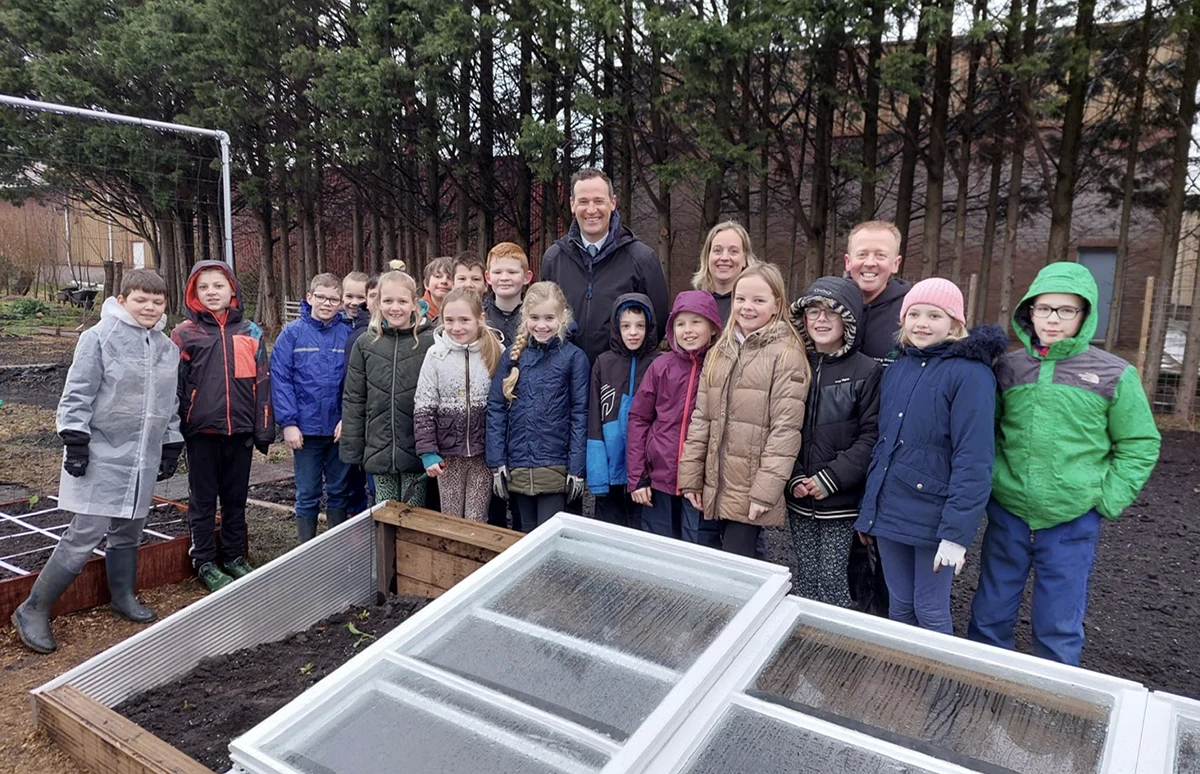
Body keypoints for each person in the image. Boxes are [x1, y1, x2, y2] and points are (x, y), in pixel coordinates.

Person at [969, 263, 1161, 666]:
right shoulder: (1009, 368)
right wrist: (993, 485)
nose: (1053, 319)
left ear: (1084, 315)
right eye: (1044, 309)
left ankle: (1055, 711)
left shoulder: (1114, 375)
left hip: (1072, 520)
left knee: (1058, 625)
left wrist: (1106, 498)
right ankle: (981, 695)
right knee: (990, 614)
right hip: (1009, 514)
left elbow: (1139, 443)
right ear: (1029, 312)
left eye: (1066, 310)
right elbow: (986, 432)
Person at [10, 270, 182, 653]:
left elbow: (169, 403)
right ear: (122, 300)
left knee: (130, 530)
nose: (149, 307)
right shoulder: (99, 338)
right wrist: (75, 441)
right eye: (141, 300)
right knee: (85, 533)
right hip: (102, 453)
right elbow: (77, 393)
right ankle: (33, 608)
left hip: (142, 457)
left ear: (165, 304)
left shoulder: (167, 348)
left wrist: (171, 443)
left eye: (157, 301)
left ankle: (122, 596)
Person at [853, 278, 1007, 634]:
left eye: (935, 315)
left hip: (934, 518)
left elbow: (974, 458)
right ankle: (904, 683)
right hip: (891, 511)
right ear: (903, 320)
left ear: (955, 323)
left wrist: (956, 534)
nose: (922, 323)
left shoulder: (971, 375)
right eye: (915, 314)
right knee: (900, 605)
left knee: (930, 609)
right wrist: (869, 513)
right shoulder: (899, 369)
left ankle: (939, 686)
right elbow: (883, 445)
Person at [678, 264, 810, 557]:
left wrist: (766, 491)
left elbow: (785, 431)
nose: (747, 307)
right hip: (714, 482)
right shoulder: (720, 351)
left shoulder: (786, 354)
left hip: (750, 488)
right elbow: (702, 418)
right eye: (740, 299)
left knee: (742, 565)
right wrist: (690, 476)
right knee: (710, 562)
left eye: (758, 301)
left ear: (777, 305)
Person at [172, 261, 273, 592]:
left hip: (240, 432)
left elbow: (262, 384)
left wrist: (263, 427)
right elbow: (174, 386)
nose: (211, 292)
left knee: (235, 498)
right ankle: (203, 559)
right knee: (202, 500)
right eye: (204, 287)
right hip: (202, 433)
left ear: (232, 289)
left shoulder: (250, 332)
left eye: (218, 285)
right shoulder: (185, 334)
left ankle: (232, 556)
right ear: (194, 293)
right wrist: (176, 428)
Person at [785, 277, 881, 608]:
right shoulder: (794, 364)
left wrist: (831, 479)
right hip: (799, 496)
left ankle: (835, 646)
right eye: (814, 311)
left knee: (833, 578)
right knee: (806, 574)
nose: (821, 320)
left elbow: (871, 436)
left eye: (831, 312)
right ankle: (805, 639)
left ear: (848, 320)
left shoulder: (867, 371)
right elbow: (781, 428)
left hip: (839, 499)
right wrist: (794, 475)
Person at [487, 281, 590, 532]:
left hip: (555, 466)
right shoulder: (513, 356)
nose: (541, 325)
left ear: (562, 317)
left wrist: (576, 468)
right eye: (534, 317)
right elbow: (496, 409)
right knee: (525, 537)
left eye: (549, 317)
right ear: (525, 317)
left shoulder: (574, 358)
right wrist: (497, 460)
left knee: (549, 538)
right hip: (518, 466)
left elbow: (580, 413)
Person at [539, 168, 669, 362]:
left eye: (599, 201)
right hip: (565, 380)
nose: (591, 210)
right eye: (583, 202)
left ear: (613, 203)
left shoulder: (642, 259)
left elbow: (656, 324)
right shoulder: (553, 259)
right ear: (572, 205)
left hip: (620, 380)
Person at [626, 290, 724, 546]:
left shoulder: (721, 367)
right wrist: (637, 476)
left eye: (696, 322)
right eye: (680, 323)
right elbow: (639, 419)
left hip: (701, 483)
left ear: (713, 327)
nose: (688, 330)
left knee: (699, 551)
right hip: (659, 480)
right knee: (659, 551)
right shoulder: (661, 367)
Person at [340, 271, 435, 506]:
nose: (395, 308)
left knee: (413, 514)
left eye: (402, 301)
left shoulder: (430, 342)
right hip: (379, 447)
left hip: (416, 449)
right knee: (385, 511)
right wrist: (353, 448)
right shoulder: (365, 343)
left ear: (414, 303)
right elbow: (354, 398)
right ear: (377, 303)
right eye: (388, 301)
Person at [272, 273, 354, 543]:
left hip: (338, 430)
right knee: (307, 493)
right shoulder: (292, 335)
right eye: (321, 297)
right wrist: (289, 423)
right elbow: (281, 379)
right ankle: (306, 550)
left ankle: (335, 549)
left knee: (339, 491)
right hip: (305, 431)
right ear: (309, 298)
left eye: (333, 299)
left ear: (340, 302)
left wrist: (348, 418)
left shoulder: (348, 335)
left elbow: (355, 382)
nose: (327, 304)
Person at [414, 288, 503, 521]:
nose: (456, 327)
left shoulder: (496, 352)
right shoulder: (436, 355)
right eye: (449, 320)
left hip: (483, 455)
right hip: (448, 455)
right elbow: (424, 405)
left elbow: (506, 405)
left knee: (476, 518)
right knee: (451, 519)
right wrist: (428, 452)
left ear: (480, 318)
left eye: (464, 320)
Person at [586, 294, 660, 528]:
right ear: (616, 328)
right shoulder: (603, 363)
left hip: (646, 473)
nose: (633, 332)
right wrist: (597, 475)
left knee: (643, 535)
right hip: (611, 468)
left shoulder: (658, 363)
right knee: (608, 537)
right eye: (626, 326)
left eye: (640, 326)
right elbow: (594, 420)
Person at [844, 220, 911, 366]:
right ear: (848, 262)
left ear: (895, 264)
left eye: (880, 255)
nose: (870, 263)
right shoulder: (827, 305)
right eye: (862, 254)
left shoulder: (911, 311)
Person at [341, 273, 378, 514]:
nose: (355, 302)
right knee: (351, 482)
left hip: (383, 426)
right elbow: (349, 386)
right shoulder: (357, 336)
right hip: (355, 420)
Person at [692, 220, 760, 323]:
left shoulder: (757, 307)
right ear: (707, 257)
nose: (724, 257)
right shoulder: (693, 304)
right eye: (717, 250)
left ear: (745, 259)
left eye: (733, 251)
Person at [483, 242, 533, 347]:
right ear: (488, 277)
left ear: (526, 277)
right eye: (497, 272)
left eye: (512, 272)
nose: (504, 278)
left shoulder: (535, 316)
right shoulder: (479, 316)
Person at [421, 256, 454, 324]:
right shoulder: (416, 312)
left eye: (450, 278)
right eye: (438, 276)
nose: (444, 281)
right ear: (426, 284)